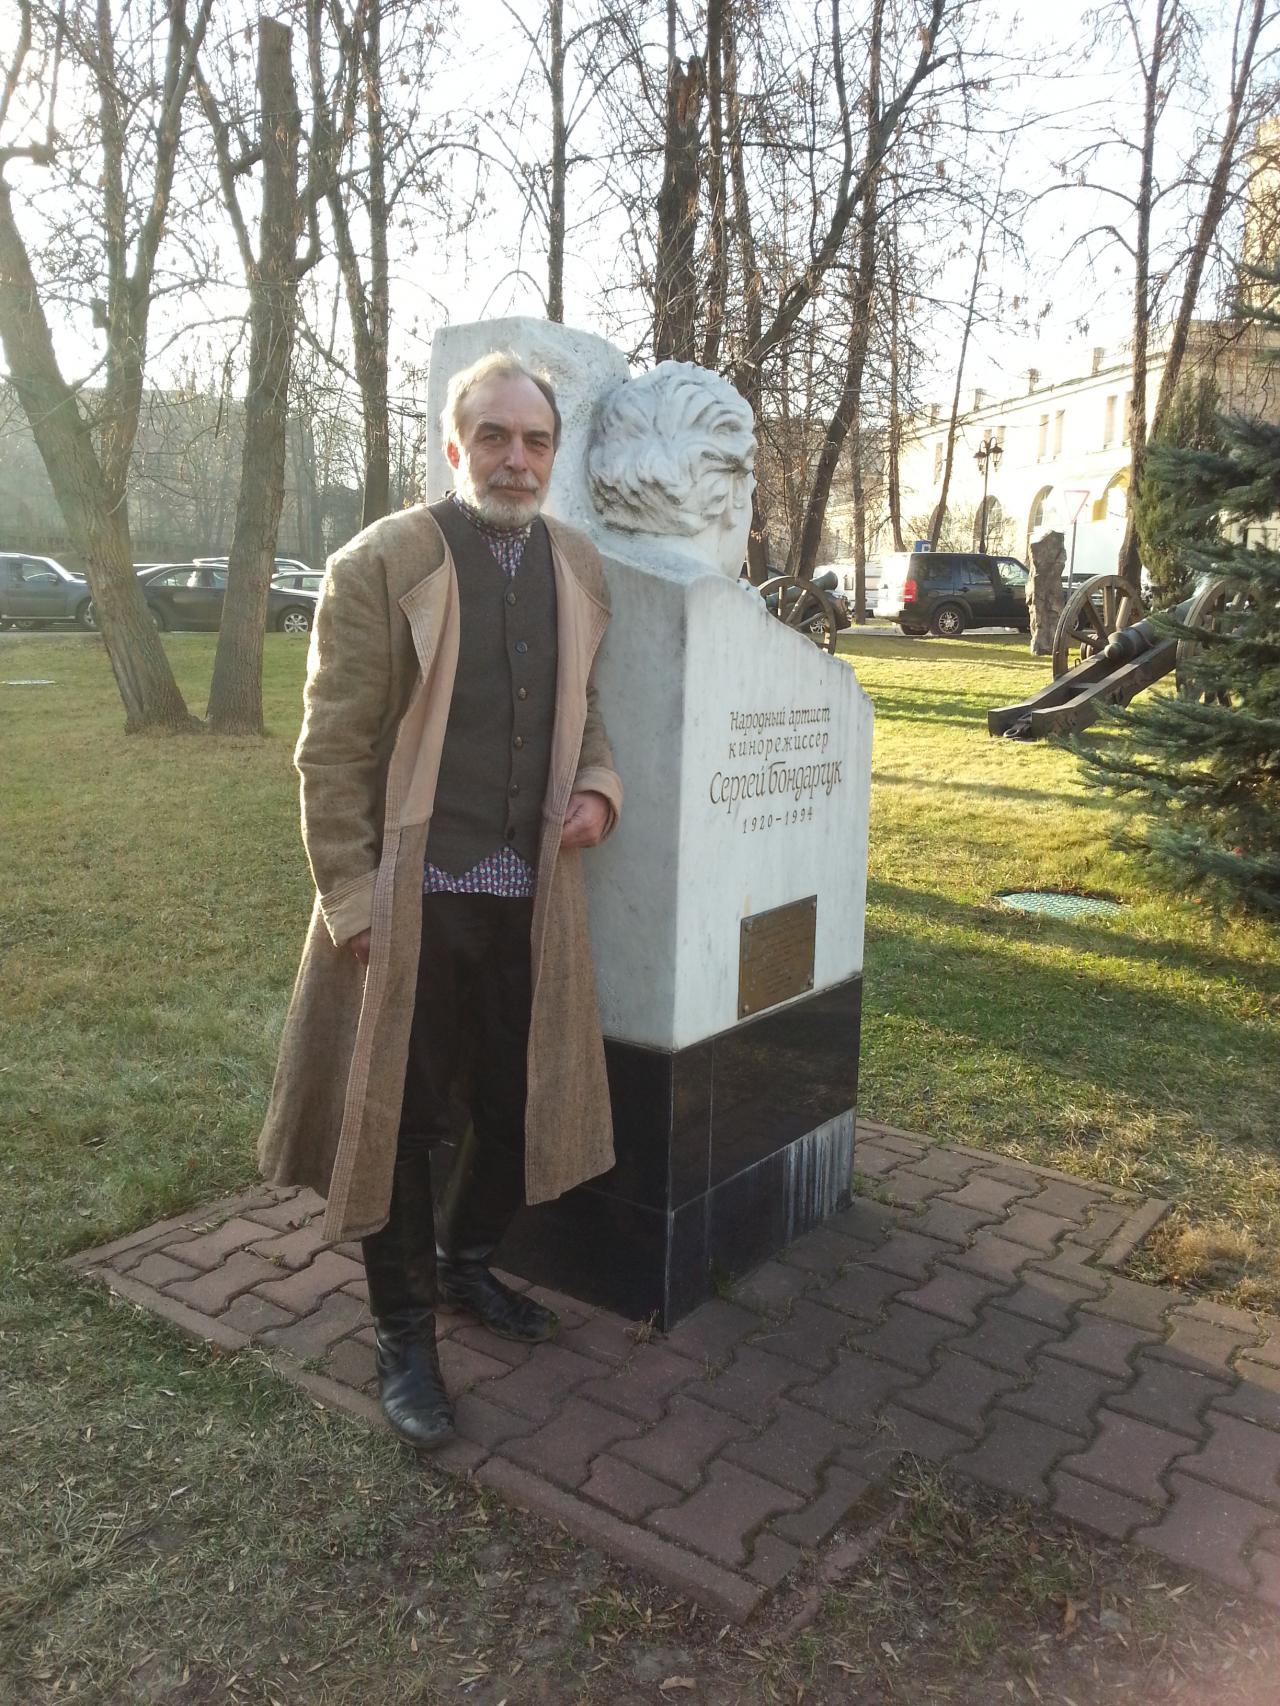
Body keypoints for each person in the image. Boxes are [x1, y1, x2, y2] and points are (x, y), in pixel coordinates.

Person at [258, 352, 623, 1450]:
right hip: (413, 896)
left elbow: (586, 710)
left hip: (530, 895)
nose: (516, 459)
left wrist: (598, 789)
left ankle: (467, 1266)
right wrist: (352, 897)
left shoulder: (576, 565)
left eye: (536, 440)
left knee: (518, 1097)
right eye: (494, 437)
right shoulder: (381, 563)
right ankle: (403, 1335)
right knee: (403, 1123)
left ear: (553, 454)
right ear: (454, 446)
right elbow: (330, 753)